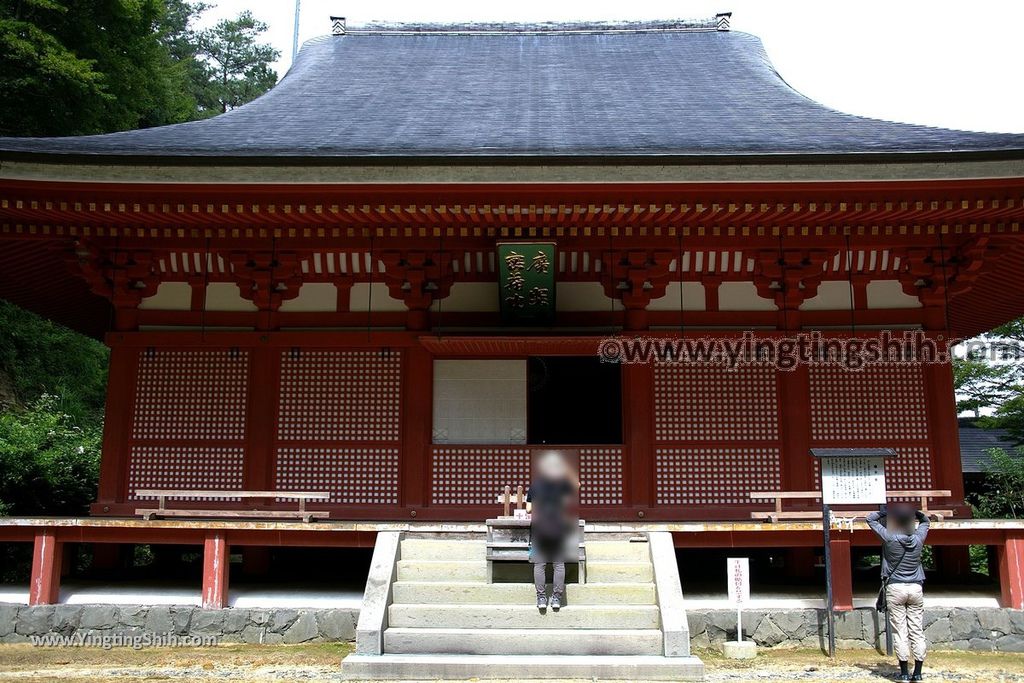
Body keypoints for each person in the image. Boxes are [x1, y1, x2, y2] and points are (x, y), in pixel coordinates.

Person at [866, 503, 930, 682]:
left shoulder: (890, 538)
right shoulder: (918, 538)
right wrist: (914, 512)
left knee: (900, 631)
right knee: (916, 629)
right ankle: (917, 672)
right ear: (910, 522)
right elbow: (926, 521)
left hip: (895, 587)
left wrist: (886, 512)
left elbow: (870, 519)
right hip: (916, 587)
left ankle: (903, 672)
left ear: (895, 522)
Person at [525, 452, 579, 612]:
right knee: (558, 564)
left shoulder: (535, 486)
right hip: (557, 527)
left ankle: (541, 598)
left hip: (540, 528)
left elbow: (528, 509)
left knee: (540, 564)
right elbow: (577, 485)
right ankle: (556, 598)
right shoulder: (562, 484)